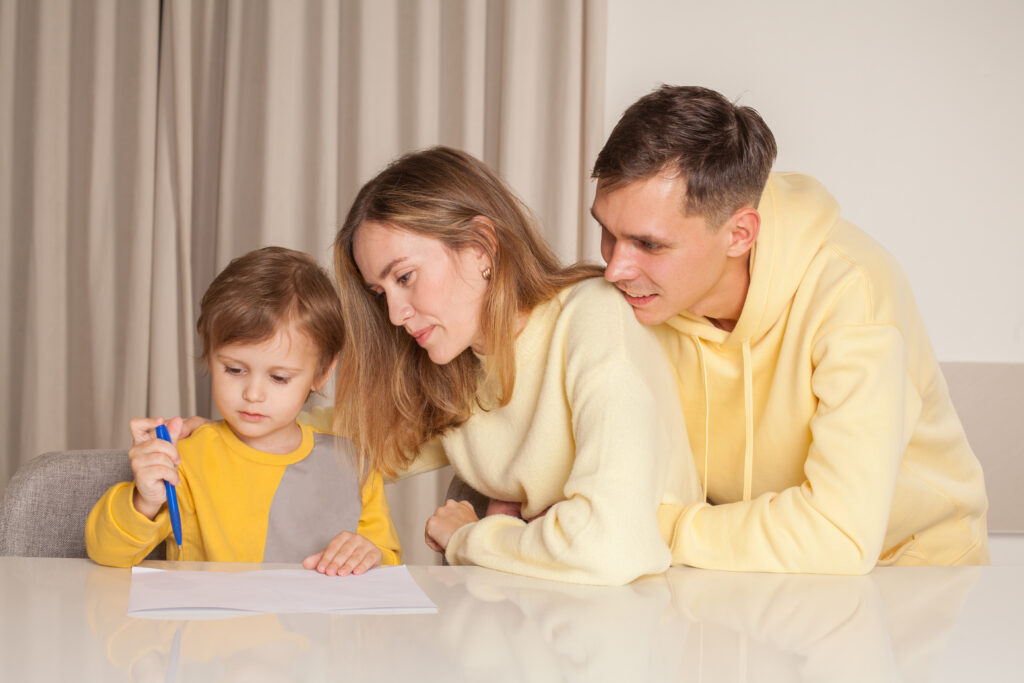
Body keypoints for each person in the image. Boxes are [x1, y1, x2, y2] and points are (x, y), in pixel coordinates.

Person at [589, 84, 989, 573]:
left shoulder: (853, 292)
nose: (614, 269)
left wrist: (658, 526)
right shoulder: (646, 296)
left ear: (739, 234)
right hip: (756, 574)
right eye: (607, 232)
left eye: (648, 245)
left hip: (916, 575)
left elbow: (838, 535)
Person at [330, 145, 700, 585]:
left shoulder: (593, 318)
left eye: (405, 277)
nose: (394, 314)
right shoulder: (456, 367)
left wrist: (469, 537)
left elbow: (612, 545)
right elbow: (349, 443)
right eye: (380, 293)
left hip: (658, 615)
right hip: (552, 620)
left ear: (481, 248)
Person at [86, 246, 401, 574]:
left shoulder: (354, 464)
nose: (252, 394)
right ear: (209, 352)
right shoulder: (187, 457)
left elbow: (388, 559)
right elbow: (107, 553)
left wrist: (372, 554)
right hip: (207, 625)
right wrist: (143, 502)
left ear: (321, 373)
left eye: (279, 377)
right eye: (234, 370)